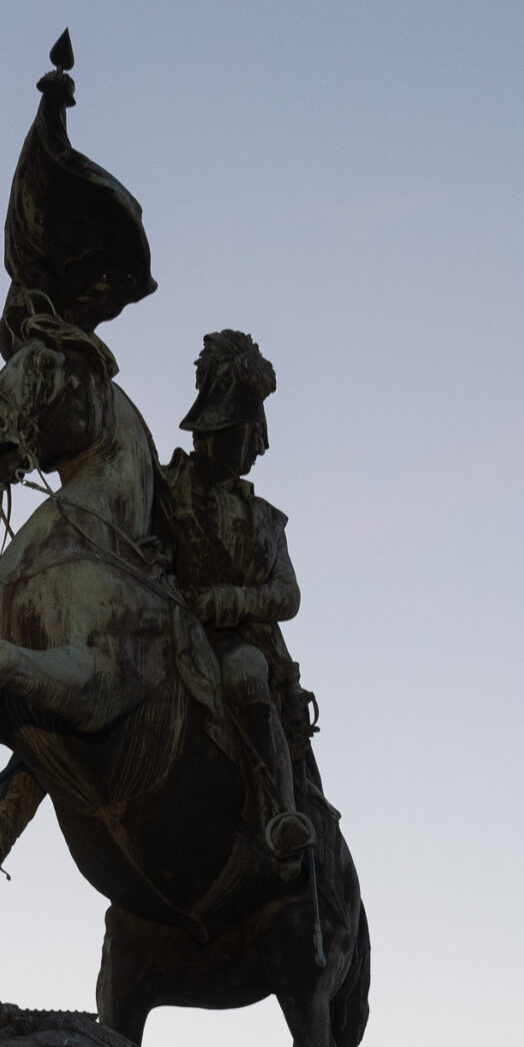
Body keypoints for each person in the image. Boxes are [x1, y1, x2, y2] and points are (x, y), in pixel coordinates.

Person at [161, 330, 315, 868]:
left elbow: (287, 595)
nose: (255, 448)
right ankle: (6, 815)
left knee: (247, 672)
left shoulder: (266, 521)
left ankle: (279, 814)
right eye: (248, 434)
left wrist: (223, 602)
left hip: (235, 647)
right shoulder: (162, 487)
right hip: (162, 633)